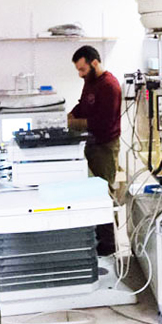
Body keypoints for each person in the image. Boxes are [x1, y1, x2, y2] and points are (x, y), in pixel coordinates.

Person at [68, 45, 122, 256]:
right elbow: (83, 106)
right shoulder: (90, 82)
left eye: (82, 69)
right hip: (92, 144)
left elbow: (102, 123)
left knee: (104, 193)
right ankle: (98, 239)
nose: (80, 74)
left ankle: (110, 245)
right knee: (93, 192)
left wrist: (74, 124)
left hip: (105, 147)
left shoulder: (110, 86)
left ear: (94, 63)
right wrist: (70, 115)